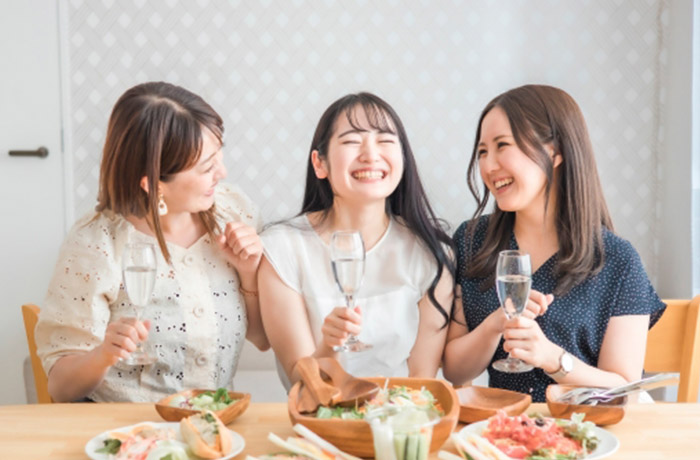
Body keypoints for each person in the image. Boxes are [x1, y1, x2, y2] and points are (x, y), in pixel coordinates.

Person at [35, 82, 269, 402]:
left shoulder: (235, 213)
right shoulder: (95, 244)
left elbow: (262, 338)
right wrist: (104, 354)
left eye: (219, 157)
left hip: (212, 428)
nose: (223, 173)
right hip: (127, 436)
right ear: (153, 183)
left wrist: (249, 272)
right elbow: (60, 389)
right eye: (207, 167)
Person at [443, 84, 665, 402]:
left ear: (555, 151)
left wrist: (552, 359)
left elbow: (624, 389)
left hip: (585, 437)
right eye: (482, 151)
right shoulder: (471, 241)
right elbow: (454, 371)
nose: (488, 166)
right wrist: (495, 324)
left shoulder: (617, 259)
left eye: (502, 145)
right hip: (501, 436)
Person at [258, 92, 454, 388]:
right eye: (351, 141)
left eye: (385, 140)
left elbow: (421, 383)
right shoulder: (280, 248)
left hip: (400, 424)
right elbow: (301, 384)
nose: (371, 154)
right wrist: (329, 346)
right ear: (319, 164)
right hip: (315, 425)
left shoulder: (433, 253)